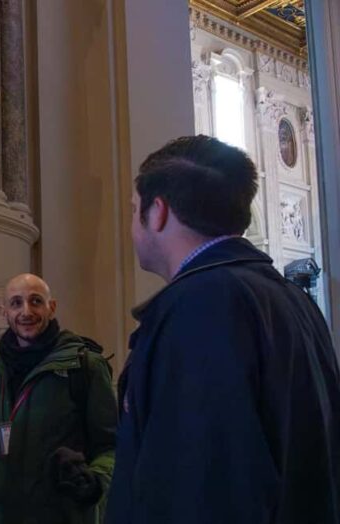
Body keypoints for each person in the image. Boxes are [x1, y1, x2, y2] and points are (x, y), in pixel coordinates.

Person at [107, 135, 340, 524]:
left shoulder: (201, 306)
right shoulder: (292, 298)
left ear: (158, 212)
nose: (133, 225)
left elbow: (200, 492)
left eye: (135, 210)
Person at [0, 273, 117, 523]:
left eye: (35, 301)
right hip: (3, 516)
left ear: (51, 307)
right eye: (16, 303)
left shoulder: (85, 367)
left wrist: (95, 480)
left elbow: (110, 445)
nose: (26, 311)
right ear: (4, 311)